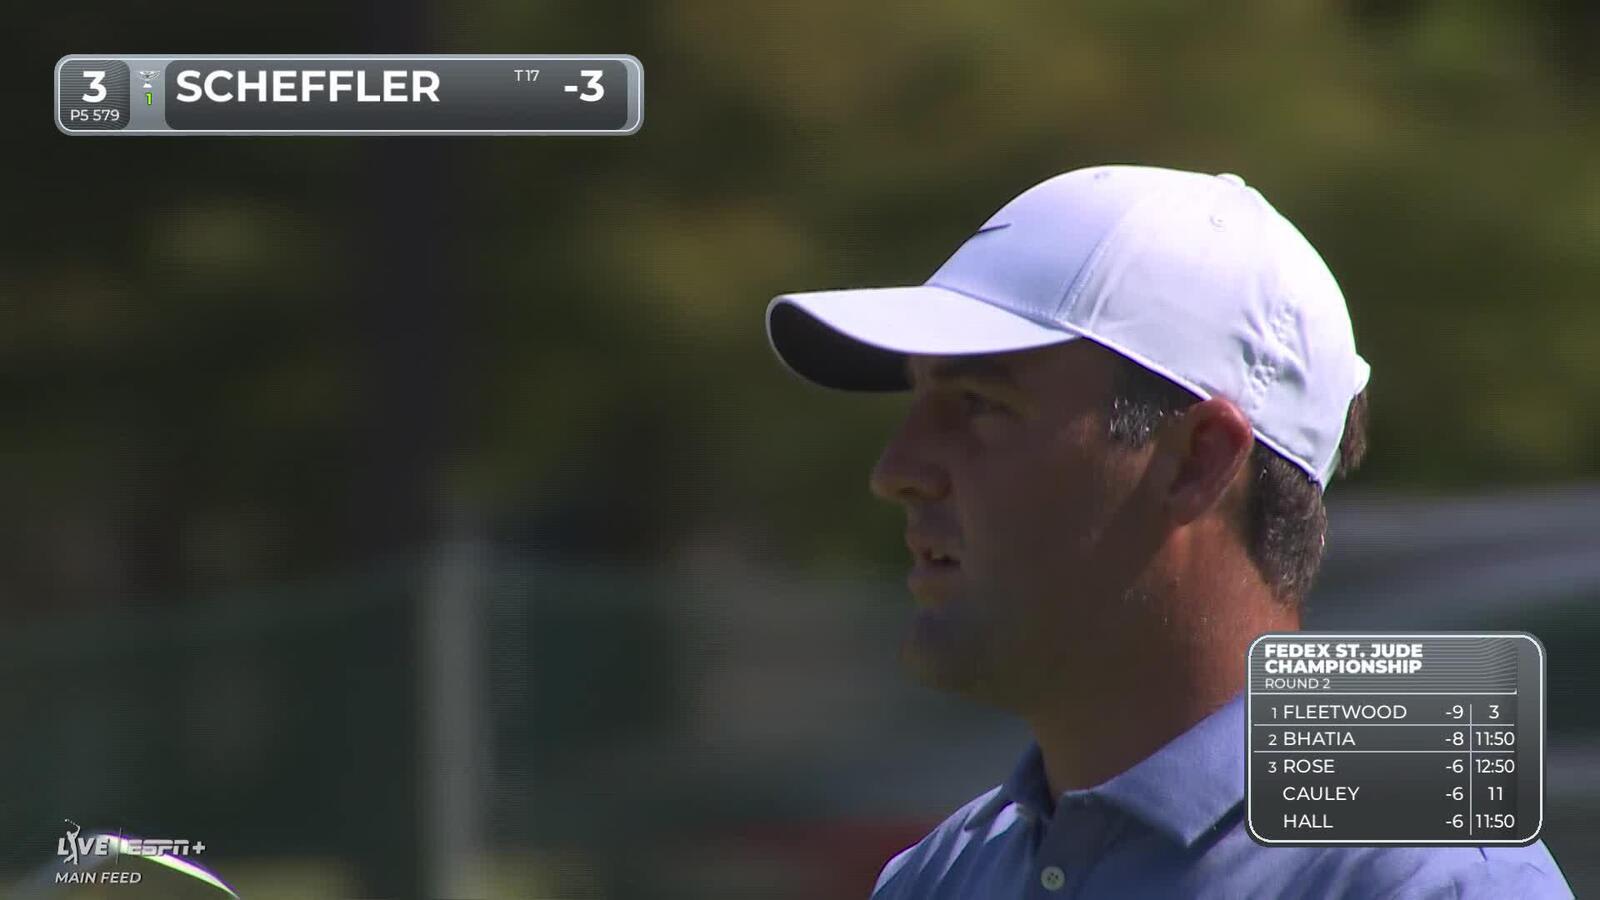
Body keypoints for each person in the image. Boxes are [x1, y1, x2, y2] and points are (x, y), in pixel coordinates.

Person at [763, 165, 1574, 898]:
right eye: (920, 402)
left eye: (978, 404)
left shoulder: (1434, 883)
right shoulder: (938, 877)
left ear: (1197, 461)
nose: (896, 469)